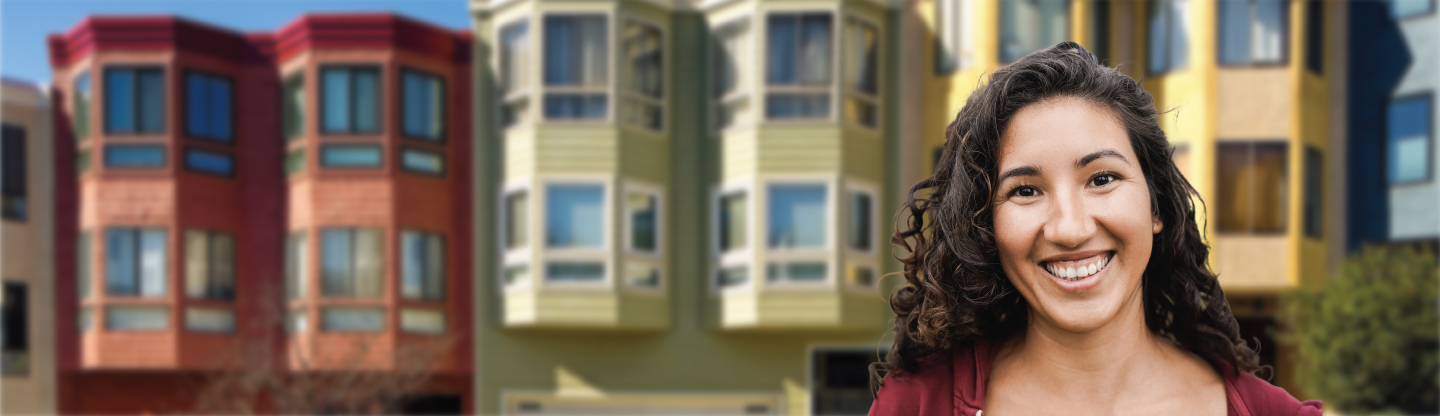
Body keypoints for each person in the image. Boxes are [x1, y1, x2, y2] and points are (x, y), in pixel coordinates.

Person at [868, 42, 1322, 416]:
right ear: (986, 226)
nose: (1070, 228)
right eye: (1025, 191)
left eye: (1102, 179)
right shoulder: (917, 405)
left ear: (1156, 206)